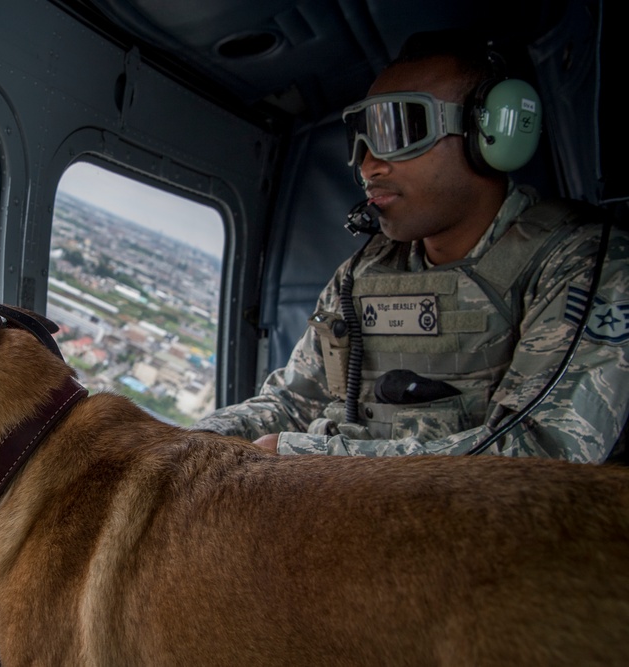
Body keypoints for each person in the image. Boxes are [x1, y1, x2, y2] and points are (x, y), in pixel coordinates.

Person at [193, 31, 629, 463]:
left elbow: (539, 457)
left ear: (489, 133)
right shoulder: (365, 271)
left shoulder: (585, 265)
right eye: (361, 137)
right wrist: (184, 444)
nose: (367, 165)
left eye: (397, 130)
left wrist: (302, 454)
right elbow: (292, 403)